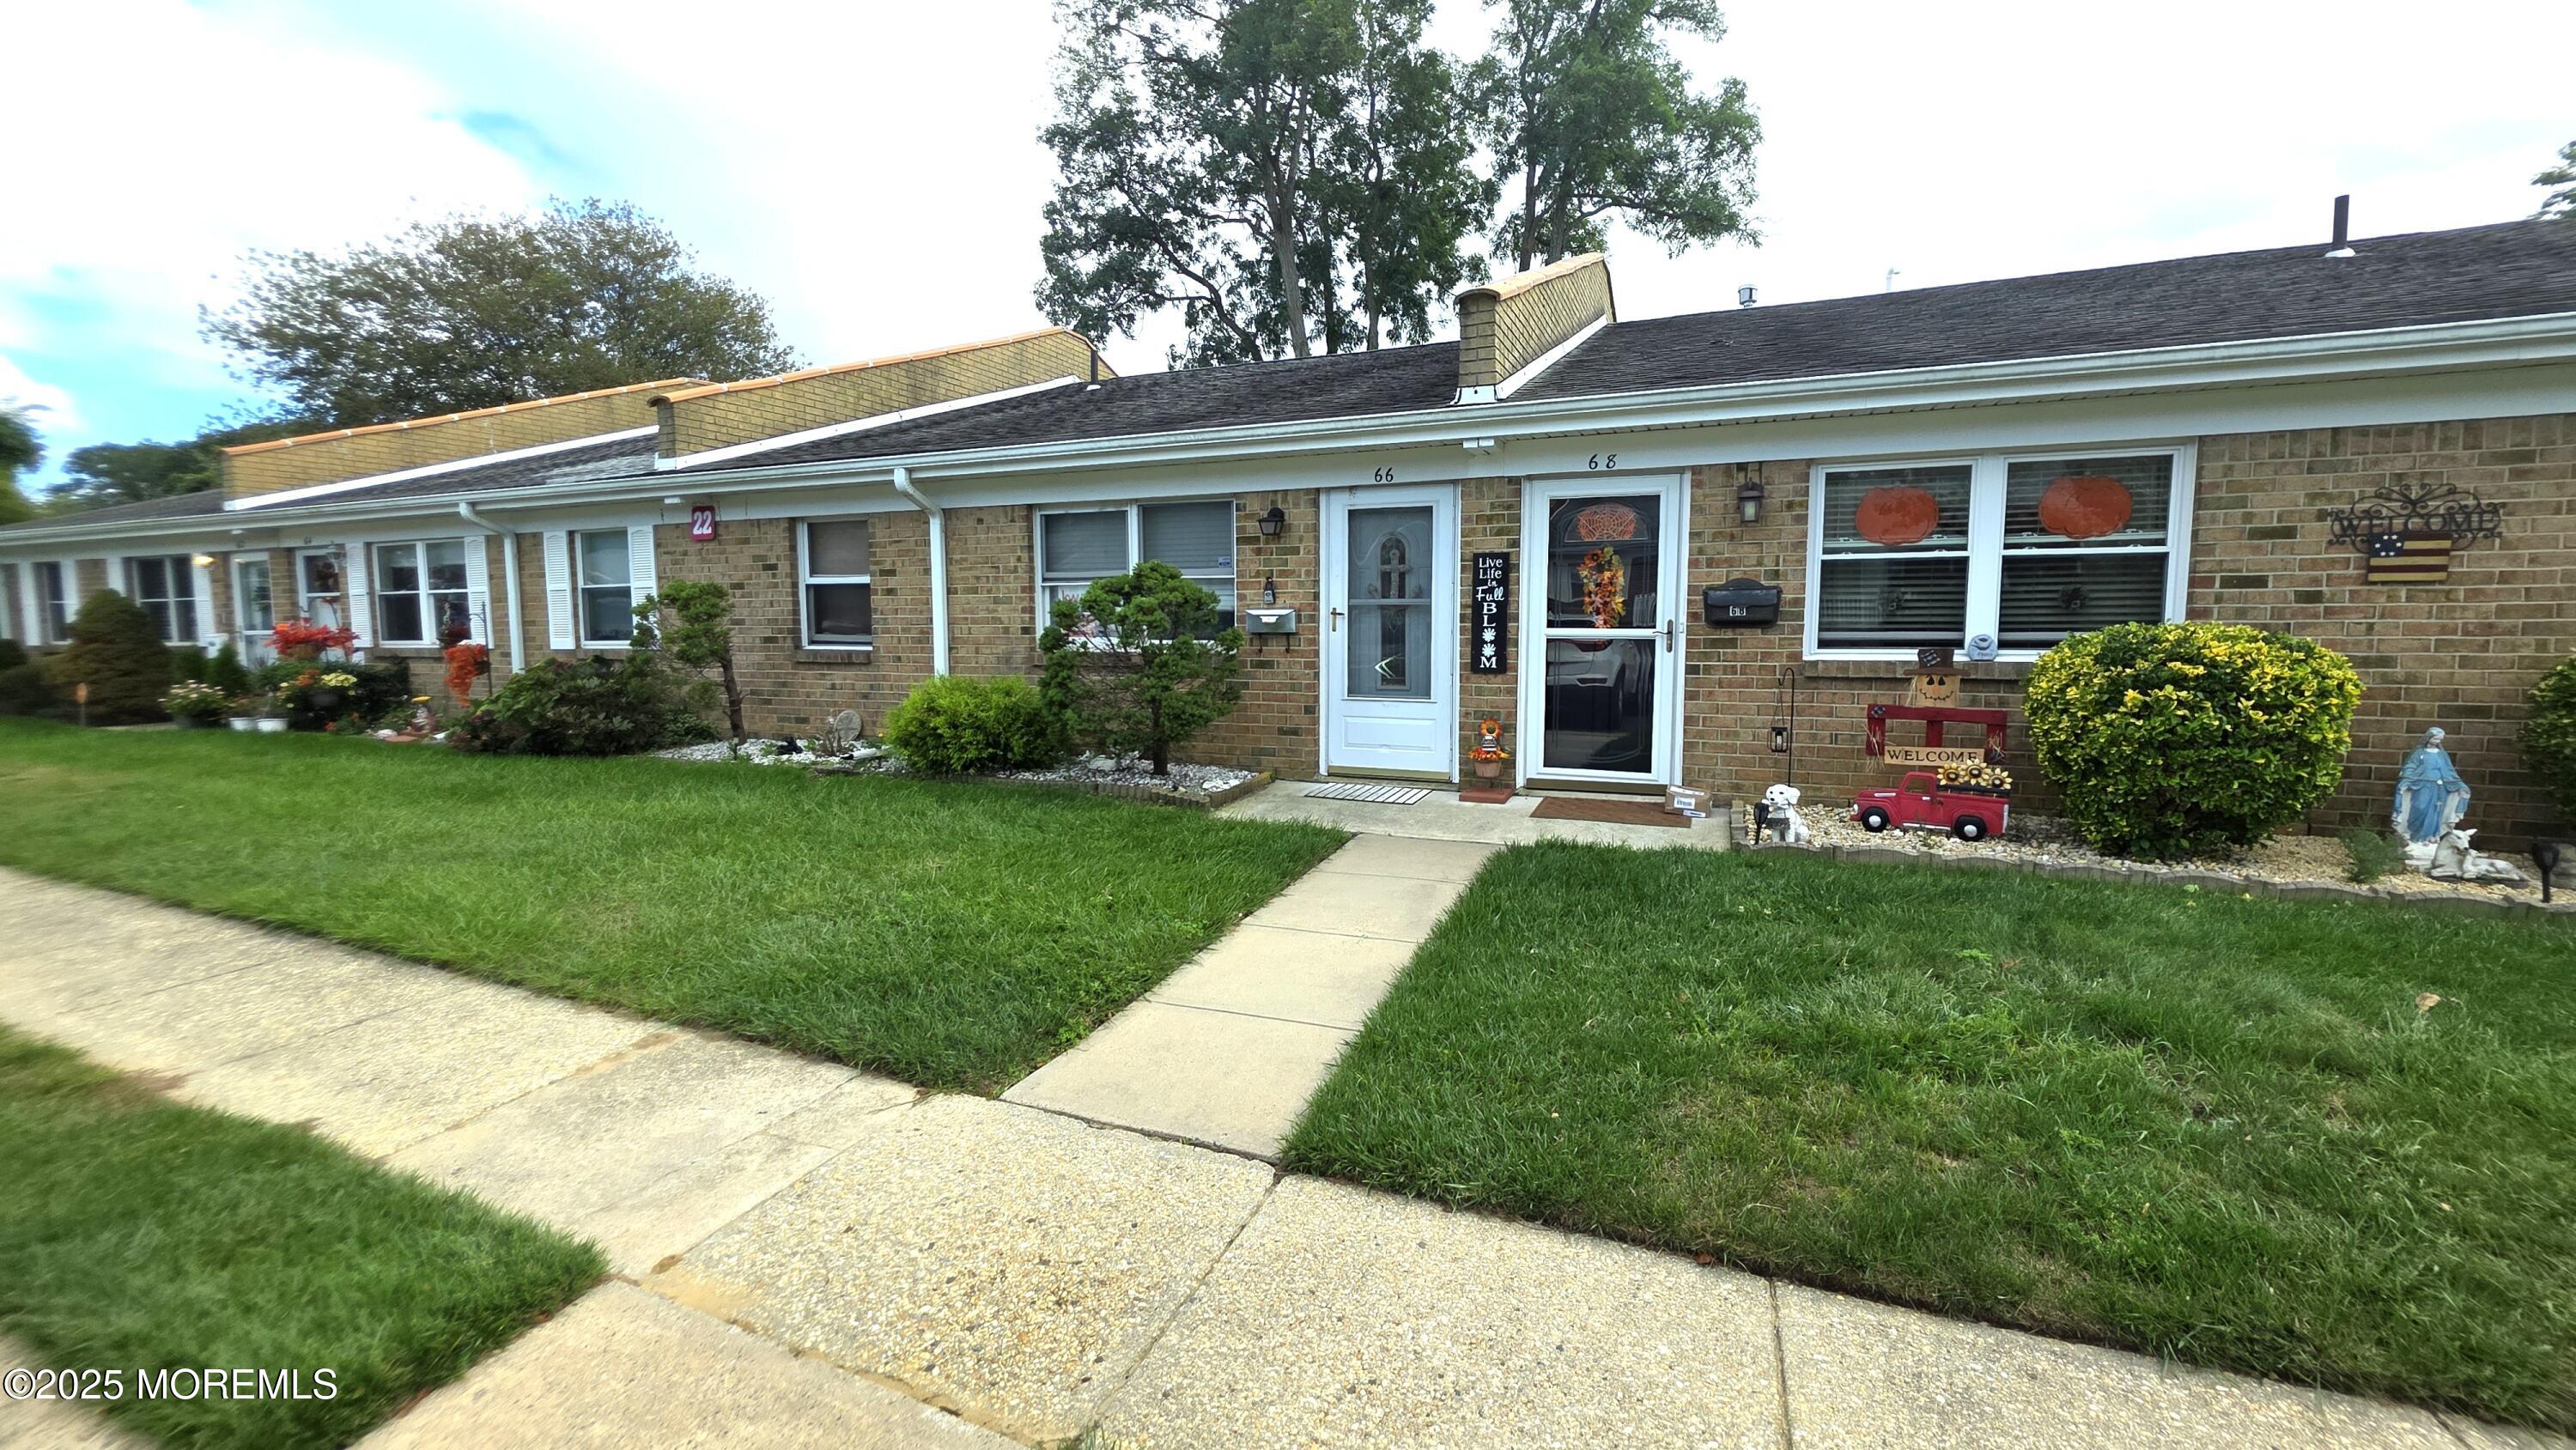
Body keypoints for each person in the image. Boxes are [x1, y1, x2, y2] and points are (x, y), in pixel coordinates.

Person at [2392, 726, 2471, 846]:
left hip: (2439, 788)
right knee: (2419, 808)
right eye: (2435, 738)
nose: (2437, 741)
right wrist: (2406, 780)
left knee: (2436, 811)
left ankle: (2431, 837)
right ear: (2428, 738)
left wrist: (2459, 784)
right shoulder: (2419, 752)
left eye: (2439, 739)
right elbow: (2410, 767)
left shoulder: (2441, 755)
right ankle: (2415, 837)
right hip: (2421, 786)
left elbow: (2449, 770)